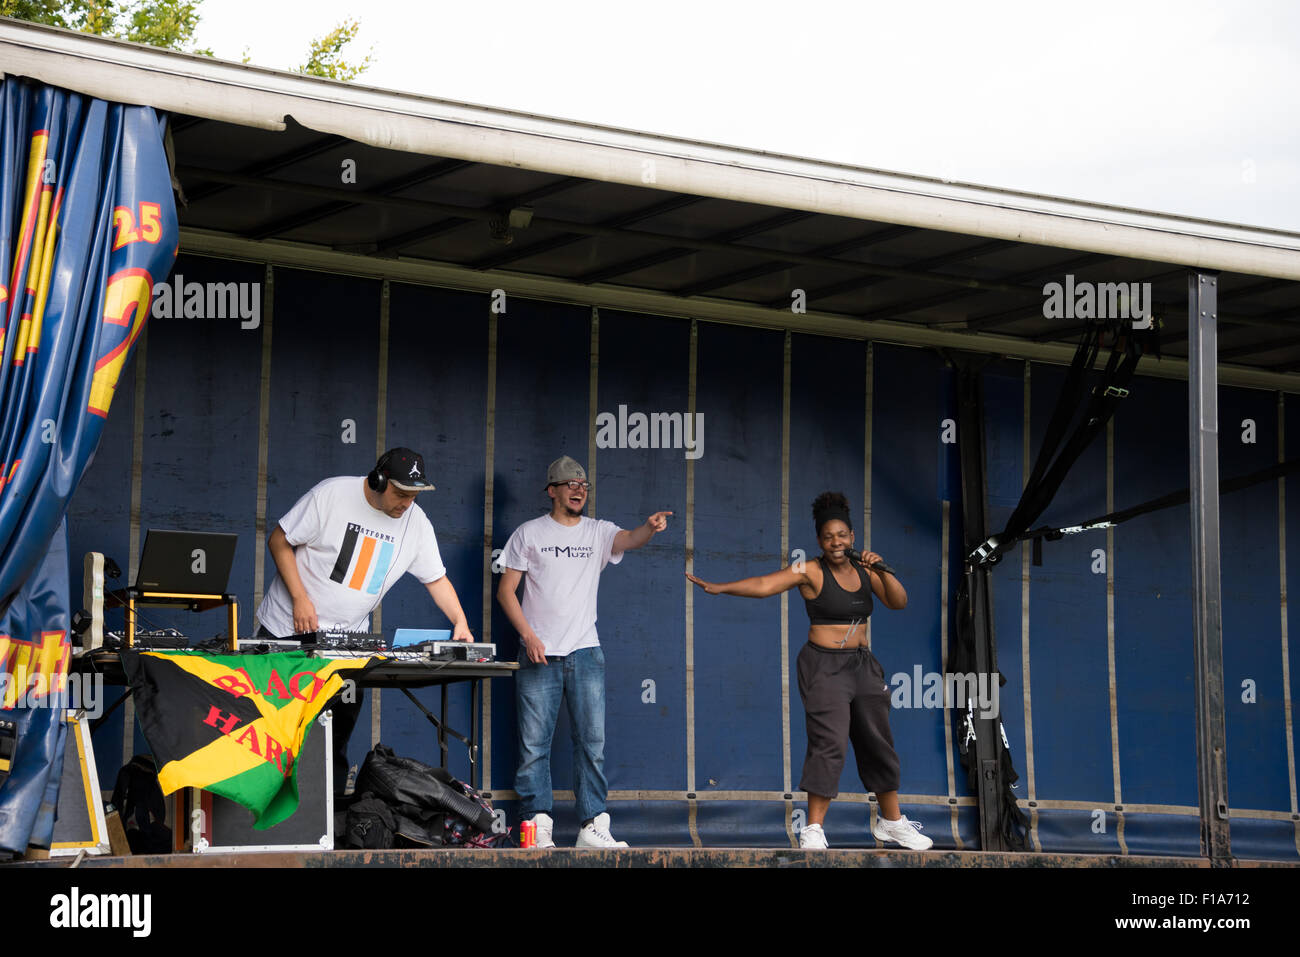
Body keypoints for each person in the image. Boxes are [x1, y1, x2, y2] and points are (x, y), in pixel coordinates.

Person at [686, 490, 932, 851]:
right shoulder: (810, 570)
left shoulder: (866, 569)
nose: (836, 542)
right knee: (829, 741)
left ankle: (891, 822)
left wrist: (880, 567)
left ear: (852, 538)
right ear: (819, 540)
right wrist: (721, 588)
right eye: (828, 536)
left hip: (863, 666)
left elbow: (899, 601)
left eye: (842, 535)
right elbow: (765, 584)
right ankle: (813, 829)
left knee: (878, 741)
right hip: (823, 665)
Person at [255, 447, 473, 792]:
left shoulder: (416, 523)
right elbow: (280, 540)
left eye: (414, 496)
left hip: (348, 647)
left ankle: (327, 832)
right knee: (275, 739)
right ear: (378, 480)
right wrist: (299, 599)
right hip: (287, 631)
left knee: (335, 742)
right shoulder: (331, 495)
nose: (406, 504)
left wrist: (460, 621)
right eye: (401, 494)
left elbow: (436, 579)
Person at [497, 455, 670, 848]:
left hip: (586, 652)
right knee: (533, 746)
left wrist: (650, 527)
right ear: (552, 491)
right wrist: (528, 636)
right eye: (570, 484)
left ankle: (593, 825)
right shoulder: (529, 533)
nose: (578, 489)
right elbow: (506, 591)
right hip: (539, 653)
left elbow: (629, 538)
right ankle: (537, 825)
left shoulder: (598, 531)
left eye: (584, 485)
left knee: (592, 744)